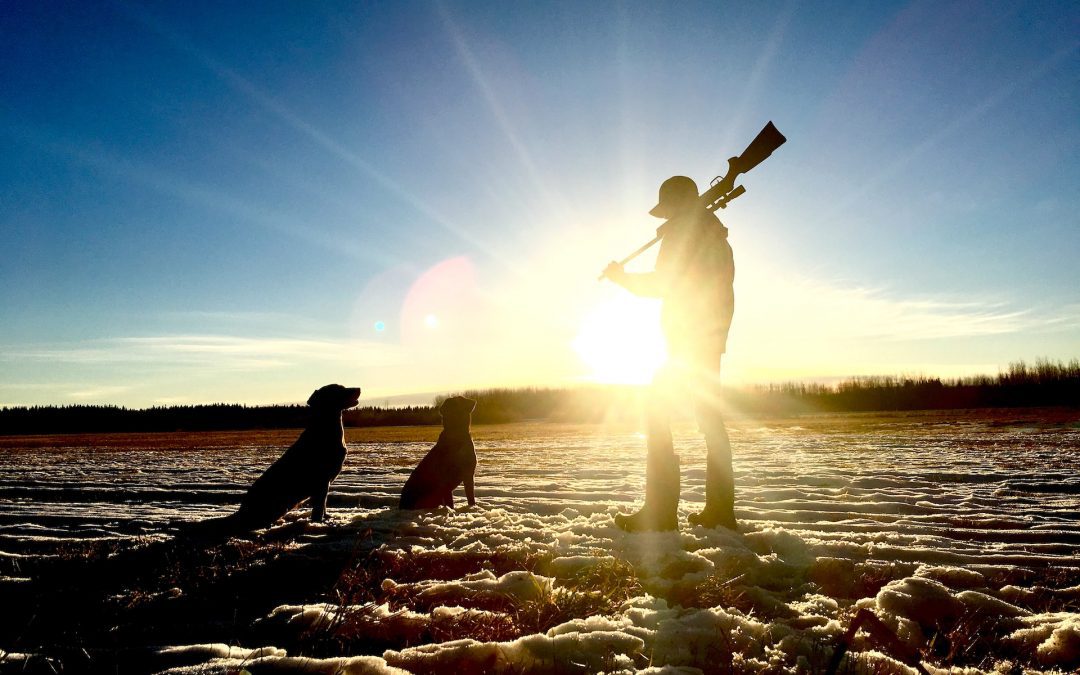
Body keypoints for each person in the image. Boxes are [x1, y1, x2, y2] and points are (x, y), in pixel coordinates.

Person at [603, 175, 736, 532]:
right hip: (707, 339)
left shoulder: (686, 235)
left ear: (677, 206)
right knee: (711, 423)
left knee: (656, 413)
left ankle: (660, 513)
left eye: (667, 211)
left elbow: (664, 284)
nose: (663, 219)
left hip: (686, 342)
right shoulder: (710, 232)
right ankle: (721, 512)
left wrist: (622, 278)